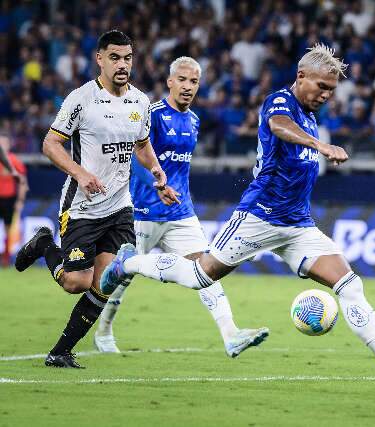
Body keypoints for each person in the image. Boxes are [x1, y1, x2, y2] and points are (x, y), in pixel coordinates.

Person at [101, 44, 375, 384]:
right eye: (321, 86)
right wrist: (320, 146)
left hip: (298, 225)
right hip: (259, 216)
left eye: (331, 91)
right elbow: (278, 125)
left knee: (350, 284)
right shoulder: (279, 102)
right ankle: (126, 264)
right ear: (301, 77)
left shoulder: (309, 115)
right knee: (200, 276)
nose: (326, 95)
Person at [13, 30, 178, 368]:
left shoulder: (141, 102)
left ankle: (60, 352)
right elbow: (50, 144)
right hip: (82, 207)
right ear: (100, 59)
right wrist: (80, 173)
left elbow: (142, 144)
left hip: (120, 207)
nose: (122, 64)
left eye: (128, 58)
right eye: (115, 57)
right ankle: (45, 244)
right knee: (76, 282)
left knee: (106, 282)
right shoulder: (81, 99)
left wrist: (157, 172)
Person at [94, 56, 268, 357]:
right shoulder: (154, 114)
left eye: (194, 82)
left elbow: (179, 168)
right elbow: (136, 157)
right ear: (170, 82)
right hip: (144, 210)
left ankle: (231, 334)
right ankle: (104, 329)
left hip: (181, 212)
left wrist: (173, 191)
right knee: (123, 276)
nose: (188, 87)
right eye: (183, 80)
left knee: (206, 270)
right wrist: (157, 185)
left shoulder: (194, 120)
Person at [0, 135, 27, 266]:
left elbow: (22, 182)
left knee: (8, 228)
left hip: (8, 199)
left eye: (4, 143)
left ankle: (5, 257)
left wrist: (20, 200)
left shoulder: (14, 161)